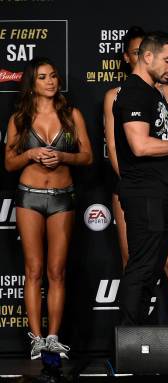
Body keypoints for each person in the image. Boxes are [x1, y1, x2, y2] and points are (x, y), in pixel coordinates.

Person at [113, 31, 168, 326]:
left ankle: (134, 341)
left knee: (150, 271)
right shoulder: (135, 91)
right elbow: (140, 145)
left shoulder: (154, 93)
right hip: (145, 193)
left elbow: (161, 143)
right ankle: (127, 340)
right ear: (147, 56)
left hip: (161, 190)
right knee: (141, 269)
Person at [4, 57, 93, 359]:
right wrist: (30, 152)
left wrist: (63, 158)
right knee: (34, 270)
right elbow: (8, 163)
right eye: (43, 77)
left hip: (62, 197)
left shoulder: (72, 115)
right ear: (32, 83)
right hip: (29, 196)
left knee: (56, 271)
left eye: (53, 76)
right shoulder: (19, 118)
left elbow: (88, 157)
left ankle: (53, 337)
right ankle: (36, 339)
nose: (51, 82)